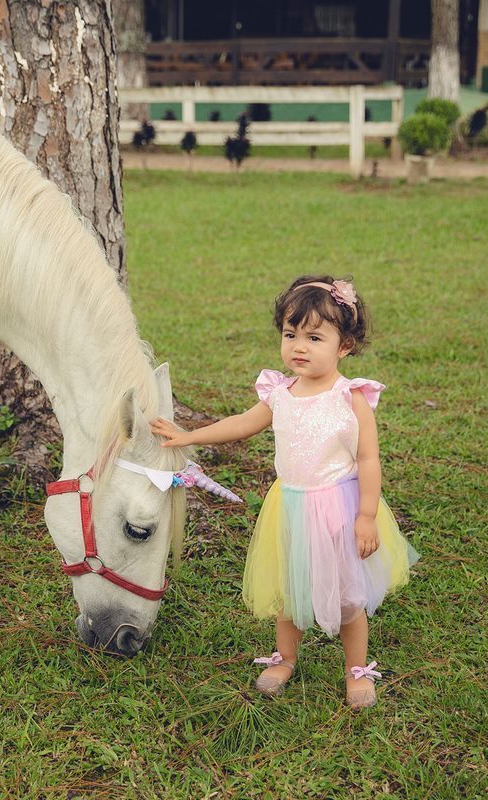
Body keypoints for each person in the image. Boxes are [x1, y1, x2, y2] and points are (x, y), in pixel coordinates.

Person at [151, 275, 418, 709]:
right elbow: (241, 423)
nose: (299, 346)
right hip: (290, 505)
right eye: (290, 334)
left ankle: (356, 669)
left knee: (349, 594)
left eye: (315, 337)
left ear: (344, 346)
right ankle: (285, 658)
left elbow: (369, 460)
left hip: (338, 506)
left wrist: (366, 515)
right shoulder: (280, 393)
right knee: (290, 590)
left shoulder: (350, 398)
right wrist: (190, 436)